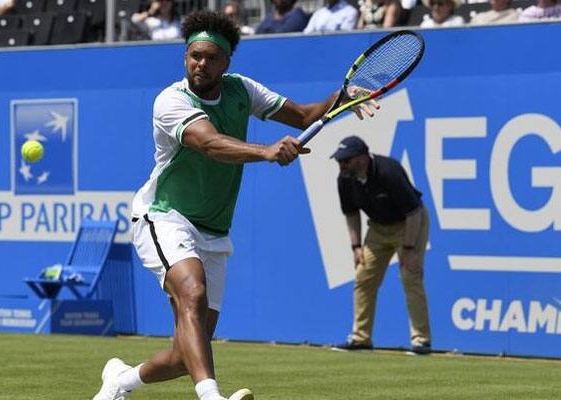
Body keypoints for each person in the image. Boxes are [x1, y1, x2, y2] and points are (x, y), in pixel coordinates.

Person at [92, 10, 379, 400]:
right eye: (194, 56)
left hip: (213, 229)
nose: (201, 64)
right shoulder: (170, 101)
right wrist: (266, 151)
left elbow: (305, 116)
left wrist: (339, 99)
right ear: (185, 57)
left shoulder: (242, 90)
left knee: (186, 354)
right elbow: (209, 143)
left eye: (211, 58)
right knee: (192, 292)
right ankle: (211, 397)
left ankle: (119, 381)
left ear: (227, 62)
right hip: (165, 217)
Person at [330, 136, 432, 355]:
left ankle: (421, 341)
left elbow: (413, 213)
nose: (342, 165)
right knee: (363, 277)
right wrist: (356, 246)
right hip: (378, 229)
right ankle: (361, 338)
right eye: (340, 161)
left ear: (362, 158)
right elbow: (351, 213)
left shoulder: (389, 171)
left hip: (409, 224)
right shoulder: (345, 178)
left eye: (346, 160)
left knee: (410, 276)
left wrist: (408, 249)